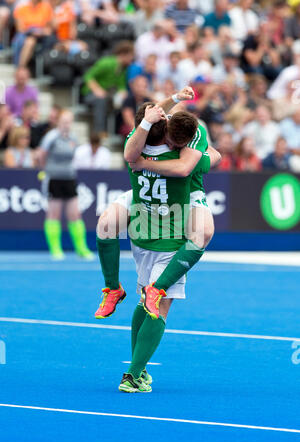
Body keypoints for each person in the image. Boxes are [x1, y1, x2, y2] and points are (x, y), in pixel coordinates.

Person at [94, 90, 220, 327]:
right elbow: (130, 154)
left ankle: (158, 289)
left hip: (186, 193)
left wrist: (146, 163)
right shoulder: (145, 131)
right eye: (170, 141)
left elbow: (200, 161)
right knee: (106, 224)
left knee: (204, 232)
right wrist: (174, 98)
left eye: (177, 144)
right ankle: (113, 288)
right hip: (146, 193)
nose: (172, 145)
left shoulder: (194, 133)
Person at [36, 109, 94, 260]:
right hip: (54, 179)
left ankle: (81, 248)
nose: (67, 125)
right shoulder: (51, 136)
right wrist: (46, 170)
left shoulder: (73, 138)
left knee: (75, 214)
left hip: (69, 178)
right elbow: (41, 154)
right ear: (58, 122)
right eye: (64, 122)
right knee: (54, 214)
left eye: (69, 122)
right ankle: (55, 249)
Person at [82, 40, 135, 134]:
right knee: (100, 100)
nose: (131, 60)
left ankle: (119, 131)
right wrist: (97, 90)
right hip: (90, 94)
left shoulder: (123, 69)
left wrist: (123, 93)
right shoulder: (106, 63)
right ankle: (99, 131)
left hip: (108, 95)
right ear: (123, 54)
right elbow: (88, 76)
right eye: (130, 56)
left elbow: (121, 86)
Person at [12, 0, 55, 66]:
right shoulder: (22, 8)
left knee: (31, 41)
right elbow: (20, 28)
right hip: (26, 33)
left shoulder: (46, 8)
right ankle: (20, 66)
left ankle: (21, 67)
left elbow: (49, 29)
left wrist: (40, 32)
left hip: (41, 35)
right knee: (28, 41)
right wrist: (31, 31)